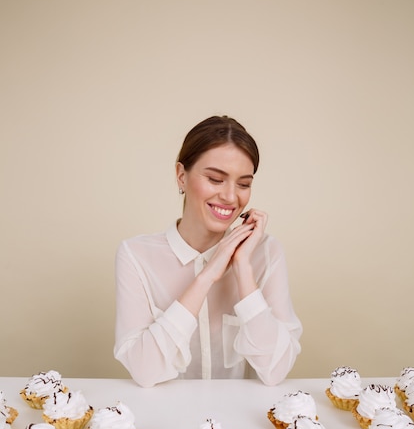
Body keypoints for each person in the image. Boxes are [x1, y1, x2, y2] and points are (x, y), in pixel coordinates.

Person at [114, 115, 302, 387]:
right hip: (164, 424)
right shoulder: (135, 255)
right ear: (181, 176)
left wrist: (243, 269)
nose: (230, 196)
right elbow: (145, 371)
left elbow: (275, 370)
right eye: (215, 179)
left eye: (244, 184)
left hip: (239, 426)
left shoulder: (266, 252)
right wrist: (207, 275)